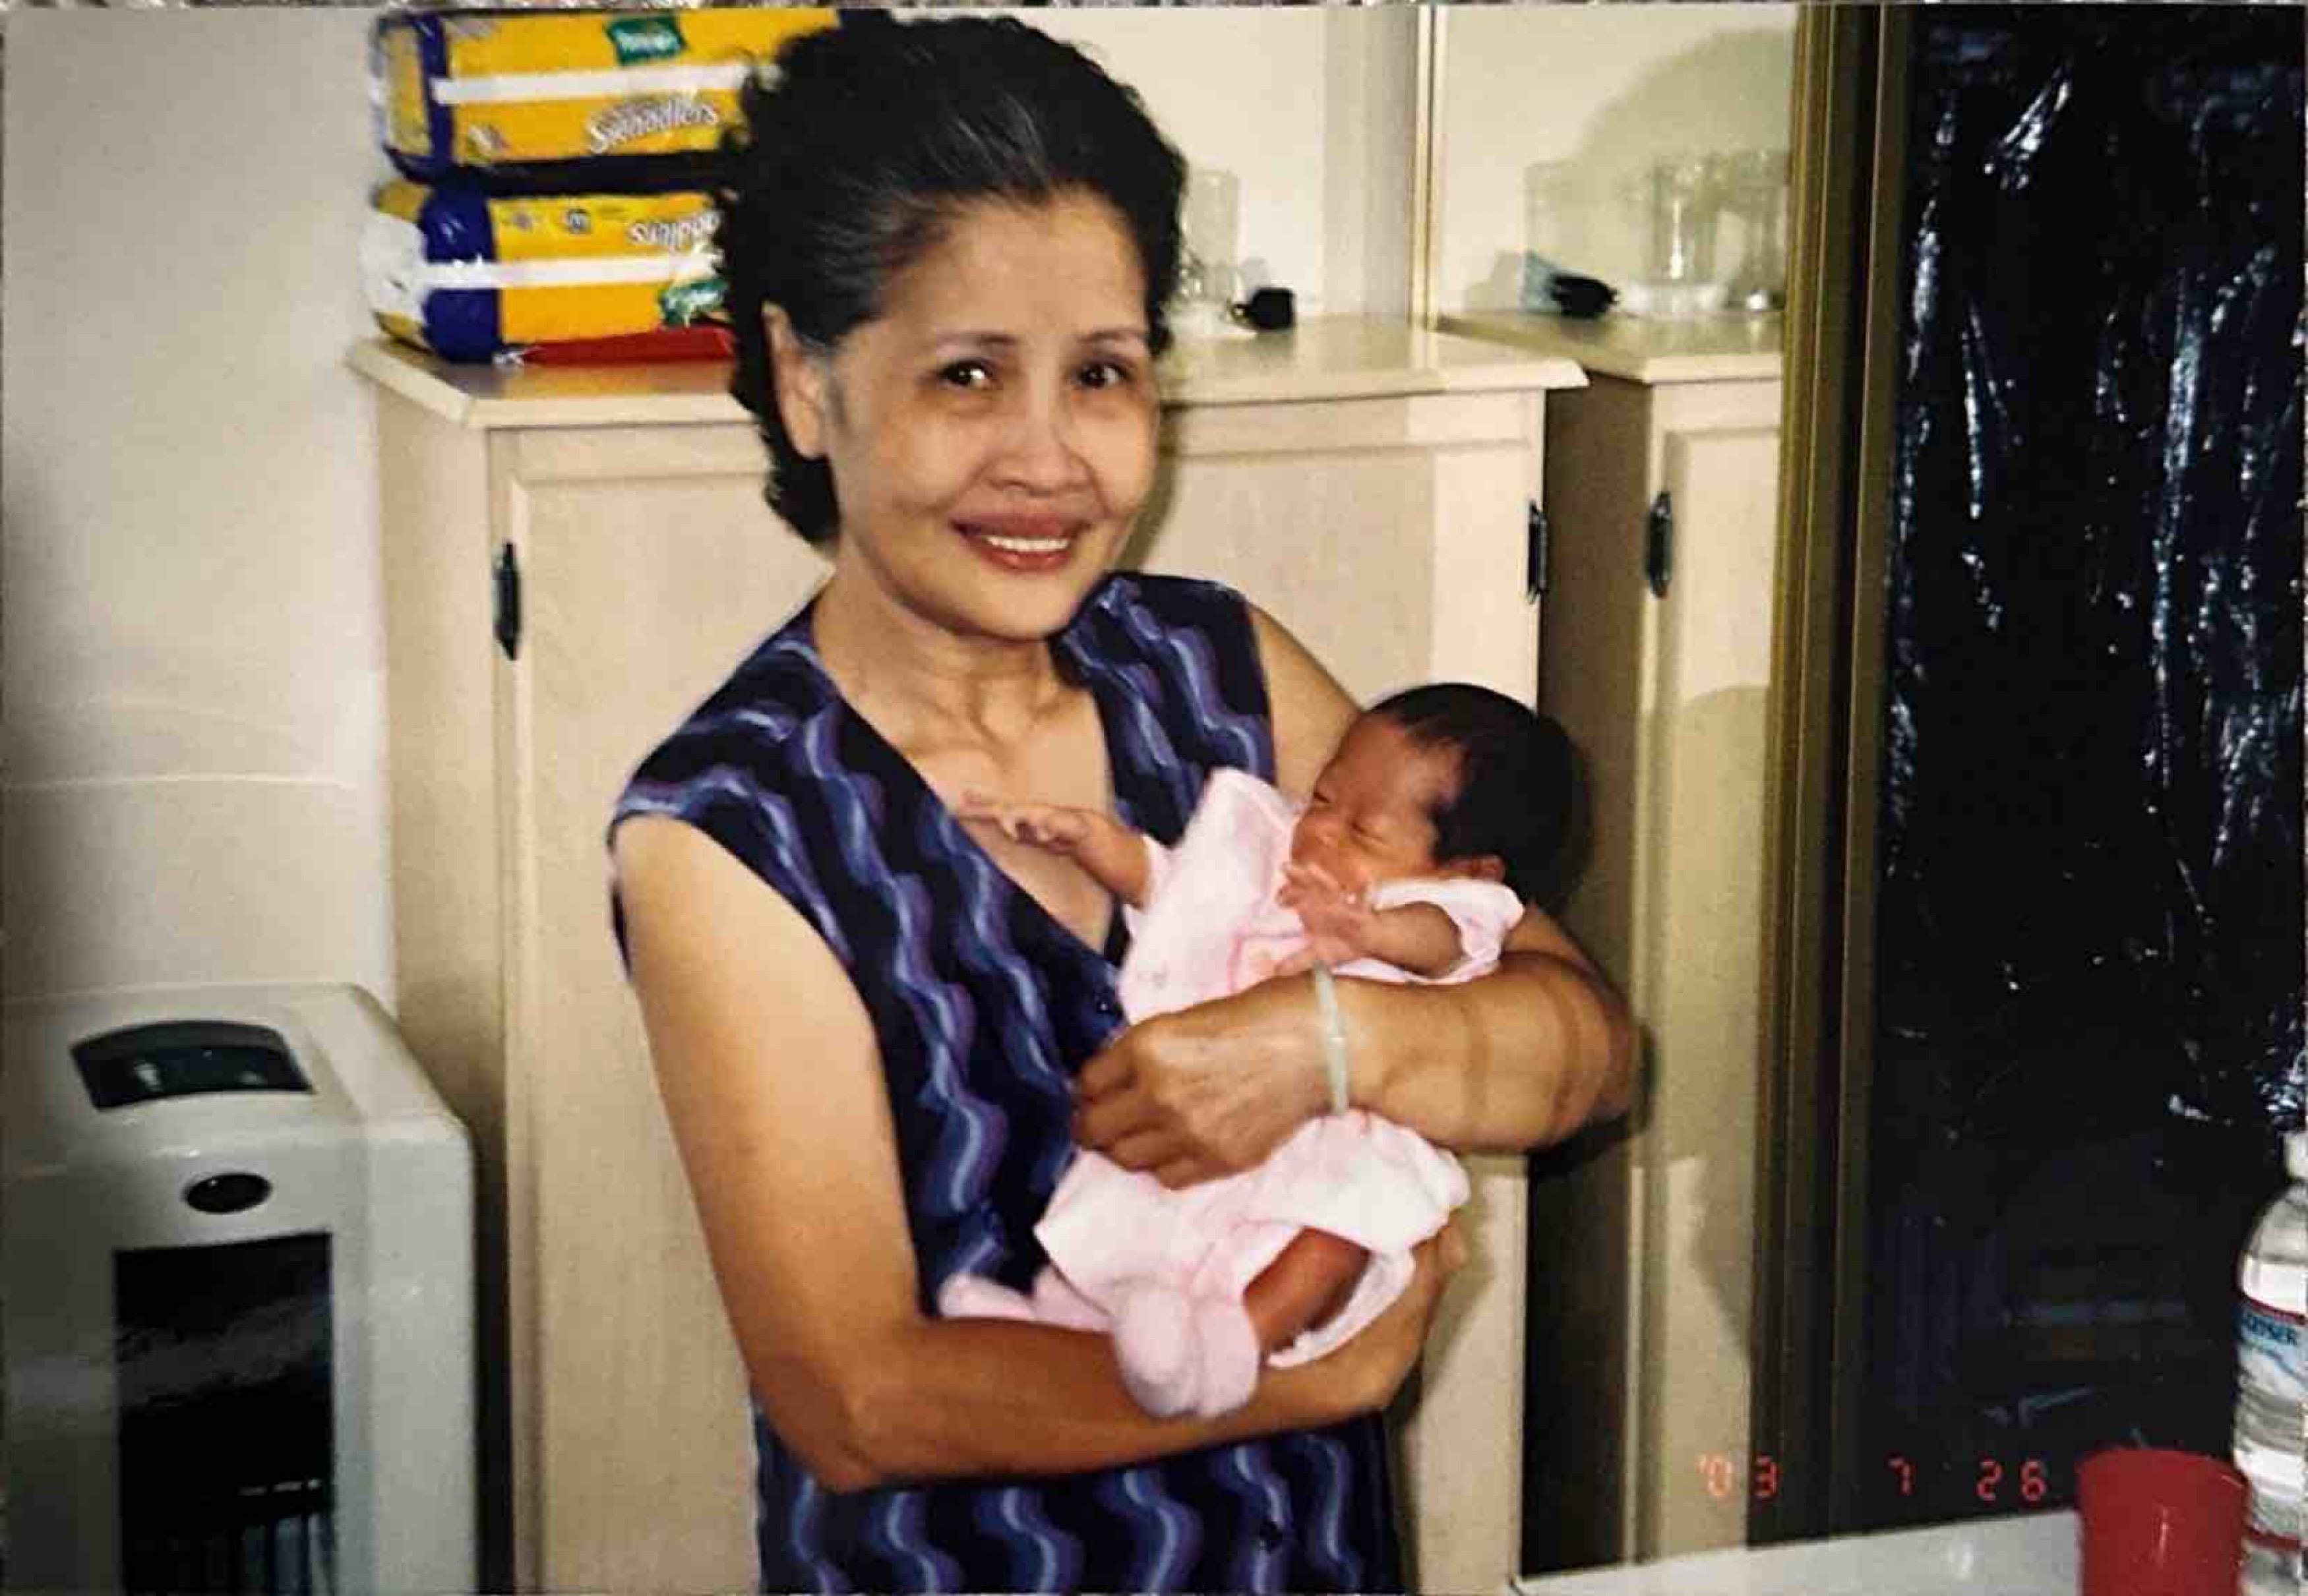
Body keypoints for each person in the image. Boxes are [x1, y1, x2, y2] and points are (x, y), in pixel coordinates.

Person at [608, 15, 1633, 1593]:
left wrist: (1327, 1043)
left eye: (1103, 372)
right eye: (965, 373)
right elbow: (858, 1395)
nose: (1051, 456)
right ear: (807, 383)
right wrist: (1303, 1374)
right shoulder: (734, 831)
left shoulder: (1217, 664)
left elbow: (1582, 1048)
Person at [940, 686, 1573, 1424]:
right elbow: (1176, 889)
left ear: (1469, 869)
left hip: (1355, 1127)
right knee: (1138, 1201)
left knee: (1335, 1230)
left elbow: (1442, 940)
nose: (1322, 831)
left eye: (1363, 831)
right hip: (1233, 1097)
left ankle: (1242, 1340)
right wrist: (1090, 841)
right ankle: (1064, 1317)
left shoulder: (1460, 907)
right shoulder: (1283, 863)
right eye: (1323, 799)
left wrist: (1368, 933)